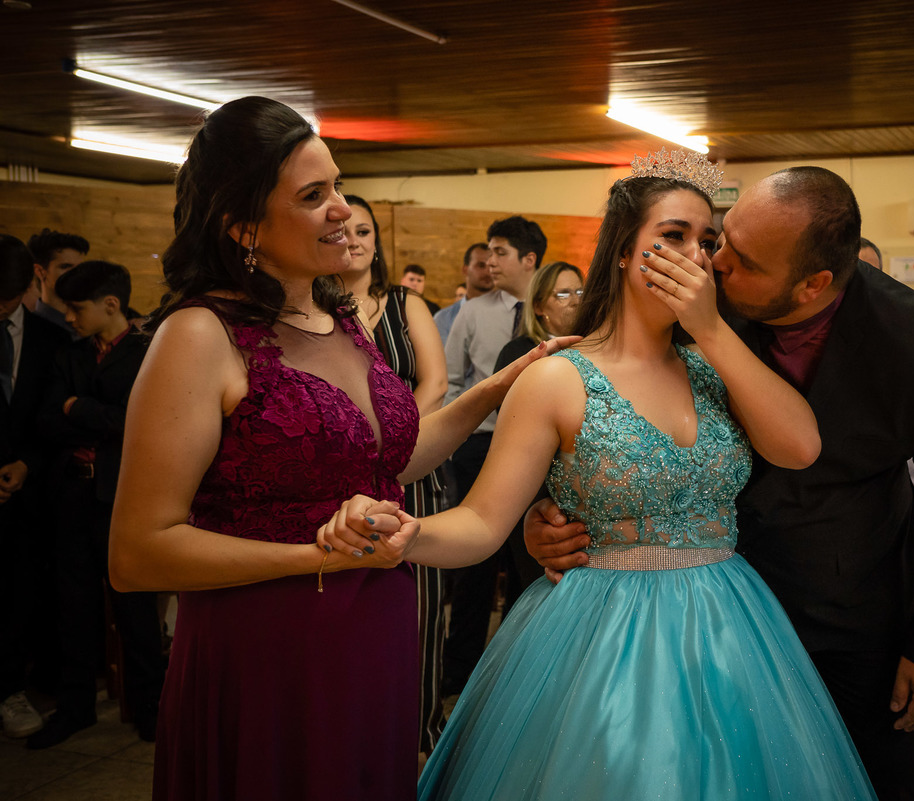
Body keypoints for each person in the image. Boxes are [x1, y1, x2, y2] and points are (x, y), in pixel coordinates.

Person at [325, 151, 876, 799]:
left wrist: (710, 329)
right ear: (622, 251)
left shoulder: (717, 365)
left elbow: (800, 446)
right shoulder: (560, 376)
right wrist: (409, 533)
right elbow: (482, 519)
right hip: (599, 629)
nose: (695, 256)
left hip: (729, 623)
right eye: (672, 236)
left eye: (707, 241)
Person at [107, 96, 569, 801]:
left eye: (340, 186)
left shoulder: (338, 318)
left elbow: (390, 463)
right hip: (269, 651)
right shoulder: (200, 336)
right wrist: (317, 556)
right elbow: (138, 552)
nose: (343, 211)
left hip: (374, 627)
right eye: (314, 196)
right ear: (243, 226)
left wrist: (500, 385)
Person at [528, 165, 914, 800]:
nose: (711, 265)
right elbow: (602, 407)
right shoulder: (697, 294)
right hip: (700, 610)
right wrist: (545, 514)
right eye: (721, 238)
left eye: (739, 259)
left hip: (853, 612)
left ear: (813, 285)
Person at [29, 260, 164, 749]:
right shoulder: (71, 354)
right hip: (73, 494)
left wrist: (79, 409)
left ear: (111, 305)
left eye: (76, 308)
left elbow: (141, 423)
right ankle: (75, 707)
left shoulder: (149, 352)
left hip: (124, 496)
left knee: (135, 608)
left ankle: (152, 709)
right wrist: (93, 416)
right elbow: (47, 420)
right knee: (74, 607)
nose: (68, 316)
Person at [342, 194, 450, 756]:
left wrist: (397, 445)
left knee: (422, 614)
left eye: (366, 230)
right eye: (346, 229)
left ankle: (422, 739)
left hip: (414, 471)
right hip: (341, 483)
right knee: (352, 613)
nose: (355, 240)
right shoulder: (311, 310)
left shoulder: (406, 304)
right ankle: (361, 741)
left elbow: (434, 382)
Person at [441, 215, 547, 699]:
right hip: (481, 442)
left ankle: (515, 667)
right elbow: (453, 380)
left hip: (540, 446)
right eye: (487, 251)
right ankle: (460, 674)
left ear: (529, 260)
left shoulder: (554, 314)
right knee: (474, 567)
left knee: (527, 562)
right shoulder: (473, 310)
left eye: (500, 251)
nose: (489, 260)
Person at [0, 233, 70, 741]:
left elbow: (55, 417)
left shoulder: (53, 340)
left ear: (30, 283)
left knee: (19, 595)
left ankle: (10, 689)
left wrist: (28, 463)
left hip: (28, 490)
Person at [492, 261, 585, 595]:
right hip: (535, 495)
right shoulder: (520, 353)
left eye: (580, 290)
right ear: (540, 306)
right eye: (563, 293)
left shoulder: (596, 349)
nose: (576, 299)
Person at [26, 228, 89, 337]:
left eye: (80, 268)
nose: (76, 274)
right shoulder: (27, 329)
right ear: (40, 271)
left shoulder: (91, 326)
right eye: (65, 267)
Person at [433, 243, 492, 344]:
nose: (487, 272)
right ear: (465, 269)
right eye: (481, 265)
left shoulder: (509, 313)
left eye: (491, 266)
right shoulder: (443, 318)